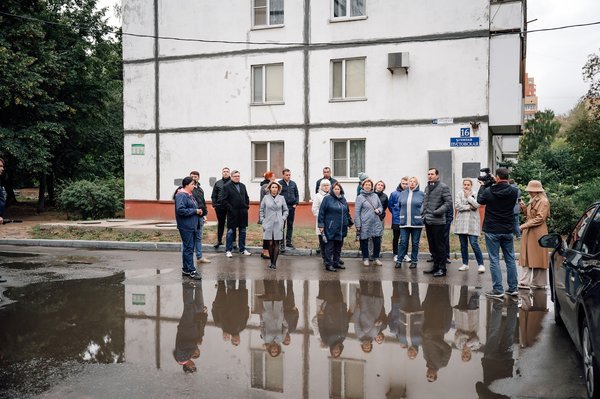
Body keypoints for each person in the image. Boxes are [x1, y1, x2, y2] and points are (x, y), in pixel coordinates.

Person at [477, 167, 519, 298]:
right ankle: (513, 288)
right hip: (507, 228)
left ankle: (498, 289)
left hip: (492, 229)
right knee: (510, 258)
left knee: (494, 259)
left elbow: (479, 200)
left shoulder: (489, 191)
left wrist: (484, 186)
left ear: (498, 177)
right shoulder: (514, 191)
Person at [518, 180, 551, 289]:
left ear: (536, 191)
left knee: (538, 257)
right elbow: (530, 215)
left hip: (538, 231)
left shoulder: (543, 201)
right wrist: (523, 208)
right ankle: (524, 281)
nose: (529, 192)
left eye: (531, 190)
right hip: (530, 230)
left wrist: (523, 226)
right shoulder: (534, 200)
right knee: (526, 255)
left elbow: (540, 218)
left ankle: (538, 282)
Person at [421, 168, 452, 277]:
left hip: (438, 221)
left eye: (432, 174)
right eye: (428, 174)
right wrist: (423, 214)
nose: (430, 176)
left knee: (440, 246)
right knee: (432, 246)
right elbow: (425, 202)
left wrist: (437, 212)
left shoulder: (443, 187)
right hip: (428, 220)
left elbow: (448, 203)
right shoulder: (427, 187)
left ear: (437, 175)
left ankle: (442, 269)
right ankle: (435, 267)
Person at [173, 281, 207, 373]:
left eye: (193, 367)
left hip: (187, 326)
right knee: (198, 300)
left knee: (189, 305)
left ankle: (187, 283)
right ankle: (197, 278)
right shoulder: (186, 357)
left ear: (187, 367)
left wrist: (195, 345)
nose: (194, 365)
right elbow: (199, 334)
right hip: (195, 325)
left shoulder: (181, 358)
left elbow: (183, 344)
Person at [174, 176, 203, 280]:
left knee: (187, 248)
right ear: (186, 185)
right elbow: (180, 210)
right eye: (192, 184)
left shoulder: (189, 194)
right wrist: (195, 211)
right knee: (189, 248)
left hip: (191, 224)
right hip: (186, 225)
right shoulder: (181, 195)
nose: (194, 186)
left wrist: (198, 211)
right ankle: (192, 271)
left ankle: (186, 269)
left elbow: (191, 207)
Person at [422, 284, 452, 383]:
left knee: (431, 299)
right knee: (441, 299)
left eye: (427, 375)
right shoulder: (442, 364)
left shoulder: (425, 358)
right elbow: (447, 349)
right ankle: (444, 278)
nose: (429, 374)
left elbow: (424, 343)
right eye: (431, 376)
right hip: (438, 327)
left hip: (428, 324)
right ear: (436, 375)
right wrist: (434, 340)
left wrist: (423, 335)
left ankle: (434, 280)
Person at [318, 182, 351, 272]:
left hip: (341, 227)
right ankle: (328, 264)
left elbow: (346, 211)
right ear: (332, 190)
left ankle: (336, 262)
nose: (337, 190)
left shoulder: (343, 199)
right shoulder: (327, 199)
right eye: (335, 189)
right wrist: (321, 225)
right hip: (331, 227)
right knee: (329, 247)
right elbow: (321, 213)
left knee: (338, 247)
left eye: (338, 189)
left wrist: (349, 222)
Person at [454, 179, 485, 273]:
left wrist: (469, 197)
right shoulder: (459, 194)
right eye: (465, 184)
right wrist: (469, 207)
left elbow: (477, 205)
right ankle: (465, 264)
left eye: (468, 184)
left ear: (471, 185)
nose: (466, 186)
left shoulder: (475, 194)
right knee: (463, 245)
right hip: (461, 223)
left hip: (472, 222)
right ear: (462, 185)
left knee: (474, 243)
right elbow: (457, 206)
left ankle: (481, 264)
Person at [315, 280, 349, 358]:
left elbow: (321, 328)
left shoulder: (326, 341)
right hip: (340, 308)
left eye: (334, 352)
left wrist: (321, 316)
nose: (336, 350)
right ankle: (334, 273)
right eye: (337, 352)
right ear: (340, 351)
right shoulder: (343, 339)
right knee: (337, 287)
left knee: (329, 288)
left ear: (332, 350)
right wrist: (345, 310)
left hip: (330, 310)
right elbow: (346, 324)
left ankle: (328, 271)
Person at [388, 281, 423, 360]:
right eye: (413, 354)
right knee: (415, 293)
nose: (411, 353)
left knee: (403, 294)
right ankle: (414, 274)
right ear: (416, 352)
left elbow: (398, 330)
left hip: (404, 313)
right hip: (416, 313)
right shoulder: (421, 342)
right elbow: (423, 329)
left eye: (409, 354)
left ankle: (402, 277)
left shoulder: (402, 341)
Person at [396, 177, 425, 269]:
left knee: (415, 243)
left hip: (417, 223)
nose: (412, 183)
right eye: (410, 182)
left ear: (417, 184)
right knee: (403, 242)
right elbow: (399, 206)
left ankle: (414, 261)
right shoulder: (403, 193)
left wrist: (421, 216)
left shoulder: (421, 194)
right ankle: (399, 260)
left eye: (414, 182)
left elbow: (423, 208)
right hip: (404, 222)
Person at [350, 280, 387, 353]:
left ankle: (363, 270)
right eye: (368, 348)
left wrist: (357, 308)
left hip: (365, 306)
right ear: (371, 345)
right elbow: (379, 323)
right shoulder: (374, 335)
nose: (366, 346)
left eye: (365, 348)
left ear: (362, 346)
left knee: (364, 285)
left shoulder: (359, 334)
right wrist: (378, 323)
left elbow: (356, 320)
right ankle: (376, 270)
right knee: (377, 285)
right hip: (376, 306)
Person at [221, 170, 251, 258]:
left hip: (243, 213)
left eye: (238, 176)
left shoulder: (242, 186)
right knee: (230, 231)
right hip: (232, 213)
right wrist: (230, 209)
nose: (237, 177)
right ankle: (228, 250)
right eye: (235, 176)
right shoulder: (226, 186)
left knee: (243, 231)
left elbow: (246, 197)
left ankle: (242, 249)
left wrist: (246, 206)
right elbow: (224, 200)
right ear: (231, 176)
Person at [259, 181, 289, 270]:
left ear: (278, 189)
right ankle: (271, 261)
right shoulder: (266, 198)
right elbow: (261, 210)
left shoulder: (281, 198)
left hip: (278, 222)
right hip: (268, 222)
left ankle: (274, 263)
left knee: (276, 242)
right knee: (269, 242)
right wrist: (262, 220)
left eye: (276, 187)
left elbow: (286, 210)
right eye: (273, 187)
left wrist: (282, 218)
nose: (274, 189)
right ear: (269, 188)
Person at [355, 178, 384, 266]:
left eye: (369, 185)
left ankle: (376, 258)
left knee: (377, 241)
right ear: (363, 186)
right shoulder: (360, 197)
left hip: (376, 222)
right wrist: (358, 225)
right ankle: (366, 258)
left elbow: (381, 207)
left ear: (372, 186)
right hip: (365, 223)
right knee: (364, 241)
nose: (368, 186)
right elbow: (357, 212)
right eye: (366, 185)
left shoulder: (375, 196)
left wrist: (379, 210)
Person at [211, 280, 249, 347]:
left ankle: (230, 272)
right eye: (238, 340)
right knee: (242, 283)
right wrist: (247, 308)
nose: (236, 339)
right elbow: (246, 317)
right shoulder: (243, 328)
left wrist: (228, 306)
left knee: (231, 284)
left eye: (234, 340)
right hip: (242, 301)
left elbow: (223, 315)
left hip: (231, 301)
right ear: (240, 339)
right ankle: (242, 271)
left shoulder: (226, 328)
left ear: (232, 339)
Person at [259, 279, 288, 358]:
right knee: (275, 290)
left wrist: (262, 315)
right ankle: (273, 272)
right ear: (278, 349)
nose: (274, 350)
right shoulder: (281, 339)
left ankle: (266, 273)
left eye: (272, 351)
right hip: (278, 311)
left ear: (270, 350)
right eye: (276, 351)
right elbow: (286, 327)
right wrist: (282, 318)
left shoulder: (266, 339)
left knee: (268, 290)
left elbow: (261, 327)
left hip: (267, 312)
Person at [453, 286, 482, 363]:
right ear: (470, 355)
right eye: (467, 356)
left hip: (461, 319)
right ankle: (479, 283)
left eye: (463, 356)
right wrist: (468, 344)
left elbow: (458, 335)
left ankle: (464, 278)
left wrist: (468, 336)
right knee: (473, 299)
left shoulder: (458, 345)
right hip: (472, 320)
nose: (465, 354)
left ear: (461, 354)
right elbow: (476, 339)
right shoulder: (475, 347)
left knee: (463, 295)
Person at [190, 171, 210, 264]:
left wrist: (204, 214)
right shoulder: (188, 189)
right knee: (190, 238)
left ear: (198, 178)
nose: (194, 178)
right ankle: (189, 258)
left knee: (198, 237)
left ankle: (199, 257)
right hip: (192, 217)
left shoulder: (200, 189)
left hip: (200, 217)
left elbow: (203, 203)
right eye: (192, 177)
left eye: (195, 177)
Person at [388, 177, 409, 263]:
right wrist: (395, 212)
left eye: (406, 184)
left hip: (407, 219)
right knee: (396, 237)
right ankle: (396, 254)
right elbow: (390, 205)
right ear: (400, 183)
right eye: (403, 183)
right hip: (396, 220)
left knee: (405, 238)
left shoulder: (410, 193)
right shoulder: (394, 194)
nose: (404, 185)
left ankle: (405, 254)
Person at [211, 167, 232, 249]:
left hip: (230, 207)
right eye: (224, 171)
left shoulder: (232, 182)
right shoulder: (218, 183)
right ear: (222, 173)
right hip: (219, 207)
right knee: (221, 223)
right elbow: (214, 195)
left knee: (231, 224)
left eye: (227, 171)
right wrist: (214, 204)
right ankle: (219, 240)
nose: (225, 173)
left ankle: (232, 241)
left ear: (229, 173)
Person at [279, 168, 299, 250]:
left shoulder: (293, 184)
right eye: (287, 175)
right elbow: (277, 195)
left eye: (289, 175)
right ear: (283, 175)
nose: (288, 176)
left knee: (290, 225)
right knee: (281, 225)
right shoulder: (279, 184)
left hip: (291, 207)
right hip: (282, 208)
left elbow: (297, 194)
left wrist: (295, 203)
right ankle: (281, 243)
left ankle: (288, 242)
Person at [312, 179, 331, 264]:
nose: (326, 187)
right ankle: (324, 258)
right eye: (324, 185)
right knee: (323, 241)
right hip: (322, 222)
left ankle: (331, 257)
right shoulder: (318, 196)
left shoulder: (332, 195)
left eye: (327, 185)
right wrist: (322, 217)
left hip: (331, 222)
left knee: (331, 241)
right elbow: (314, 209)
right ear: (321, 187)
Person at [259, 171, 276, 259]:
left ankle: (265, 251)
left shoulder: (266, 186)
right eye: (273, 177)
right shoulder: (266, 187)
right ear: (269, 178)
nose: (275, 178)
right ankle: (266, 252)